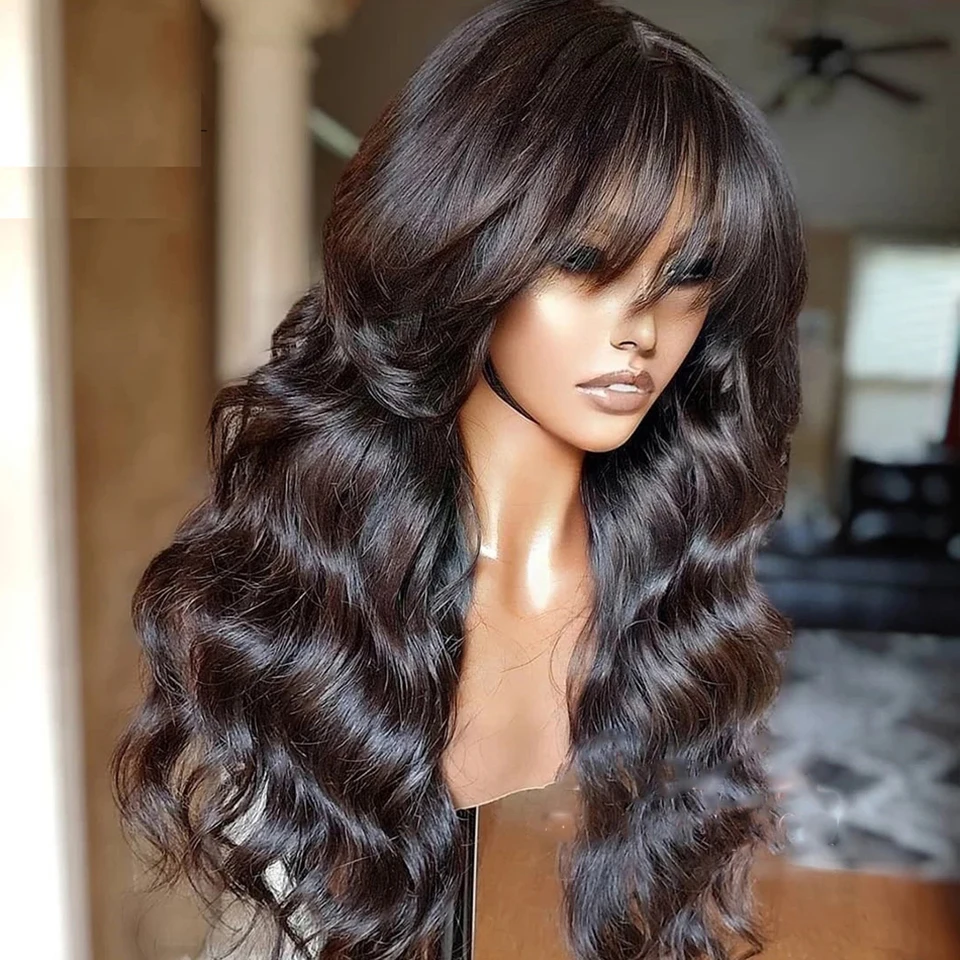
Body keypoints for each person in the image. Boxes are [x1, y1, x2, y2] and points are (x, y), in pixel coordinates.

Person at [111, 1, 807, 958]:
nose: (641, 330)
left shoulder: (671, 580)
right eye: (583, 260)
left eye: (686, 273)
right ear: (459, 248)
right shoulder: (312, 584)